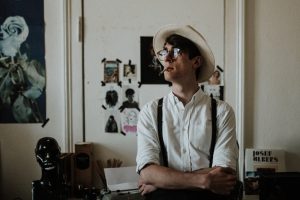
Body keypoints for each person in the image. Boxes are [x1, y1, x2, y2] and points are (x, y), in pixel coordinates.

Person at [136, 24, 238, 200]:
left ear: (196, 62)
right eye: (163, 53)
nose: (166, 58)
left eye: (175, 52)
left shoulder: (222, 111)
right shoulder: (150, 112)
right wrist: (205, 180)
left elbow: (224, 174)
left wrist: (163, 180)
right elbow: (147, 173)